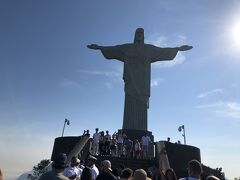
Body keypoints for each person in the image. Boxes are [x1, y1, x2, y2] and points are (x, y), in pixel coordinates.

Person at [87, 28, 192, 131]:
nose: (139, 34)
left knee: (141, 108)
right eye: (138, 32)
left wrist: (177, 49)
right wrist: (100, 47)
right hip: (131, 83)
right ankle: (127, 128)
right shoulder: (127, 48)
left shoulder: (149, 49)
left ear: (144, 35)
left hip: (143, 84)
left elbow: (162, 51)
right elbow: (114, 49)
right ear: (135, 34)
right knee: (129, 106)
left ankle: (141, 129)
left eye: (141, 32)